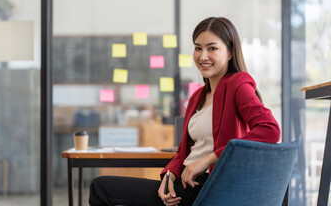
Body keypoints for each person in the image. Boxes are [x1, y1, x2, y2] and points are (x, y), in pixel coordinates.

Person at [89, 17, 281, 206]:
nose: (203, 56)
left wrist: (209, 159)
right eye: (198, 48)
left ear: (230, 52)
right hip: (185, 185)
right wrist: (170, 174)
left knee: (100, 188)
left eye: (212, 48)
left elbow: (270, 129)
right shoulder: (197, 96)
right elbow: (184, 151)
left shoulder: (237, 84)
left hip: (210, 186)